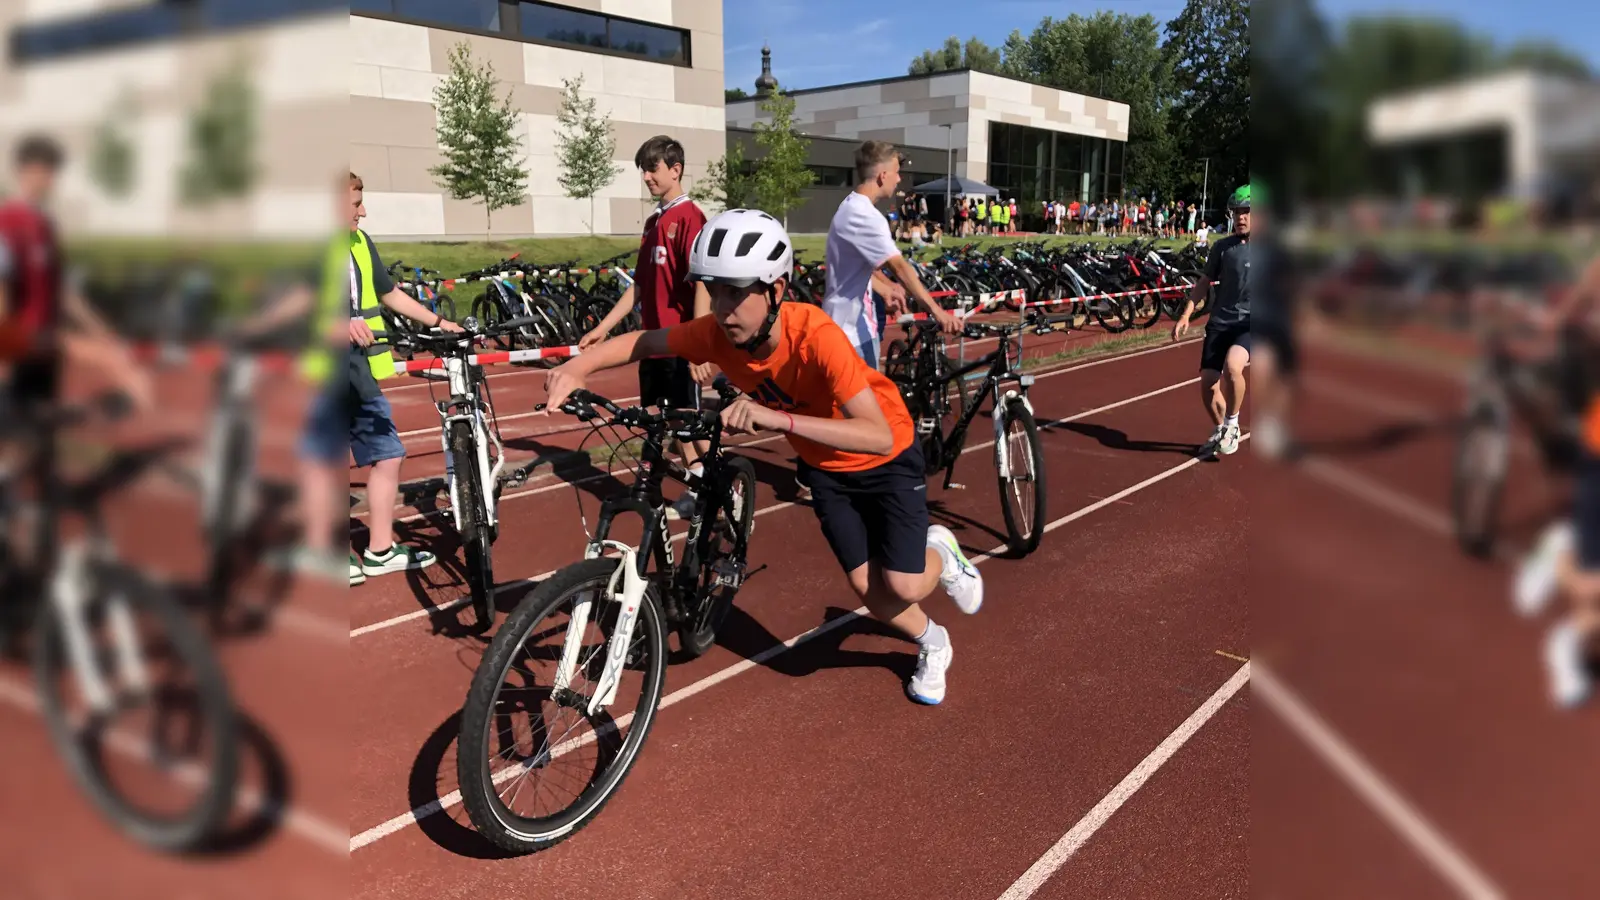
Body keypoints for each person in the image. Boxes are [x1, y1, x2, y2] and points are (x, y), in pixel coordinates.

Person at [544, 209, 985, 704]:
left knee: (902, 584)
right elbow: (646, 341)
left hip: (884, 455)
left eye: (737, 291)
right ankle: (934, 641)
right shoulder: (717, 332)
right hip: (826, 470)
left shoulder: (815, 336)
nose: (723, 306)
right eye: (715, 289)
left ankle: (941, 552)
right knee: (870, 591)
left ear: (776, 289)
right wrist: (577, 367)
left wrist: (779, 421)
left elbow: (876, 435)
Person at [581, 136, 713, 520]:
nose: (646, 176)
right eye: (643, 168)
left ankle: (719, 488)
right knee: (668, 420)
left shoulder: (691, 218)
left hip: (680, 342)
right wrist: (604, 328)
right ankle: (700, 484)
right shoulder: (655, 221)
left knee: (689, 422)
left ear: (676, 169)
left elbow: (702, 283)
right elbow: (639, 284)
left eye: (653, 168)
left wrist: (698, 345)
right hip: (651, 343)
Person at [346, 172, 460, 583]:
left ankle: (379, 550)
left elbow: (388, 292)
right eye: (355, 202)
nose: (363, 210)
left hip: (357, 368)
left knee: (388, 453)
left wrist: (438, 322)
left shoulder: (359, 241)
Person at [822, 141, 958, 371]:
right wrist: (937, 311)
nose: (899, 179)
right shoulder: (865, 215)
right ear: (883, 175)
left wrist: (886, 287)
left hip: (847, 328)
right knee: (866, 405)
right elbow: (900, 267)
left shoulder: (850, 207)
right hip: (852, 335)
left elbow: (858, 265)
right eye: (896, 173)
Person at [1173, 185, 1252, 459]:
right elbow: (1203, 283)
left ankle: (1232, 424)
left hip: (1249, 324)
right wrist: (1185, 315)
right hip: (1220, 322)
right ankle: (1220, 430)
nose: (1241, 217)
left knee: (1233, 367)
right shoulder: (1222, 248)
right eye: (1237, 212)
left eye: (1247, 212)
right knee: (1208, 383)